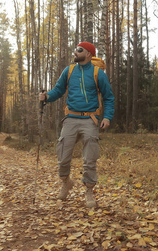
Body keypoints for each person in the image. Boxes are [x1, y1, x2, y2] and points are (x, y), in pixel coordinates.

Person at [39, 42, 115, 208]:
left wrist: (107, 117)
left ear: (88, 54)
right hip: (70, 119)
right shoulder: (69, 70)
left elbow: (109, 97)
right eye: (76, 49)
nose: (75, 51)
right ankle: (66, 182)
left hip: (90, 119)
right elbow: (58, 90)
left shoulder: (98, 73)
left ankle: (89, 191)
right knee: (62, 157)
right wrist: (47, 97)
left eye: (79, 50)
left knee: (90, 159)